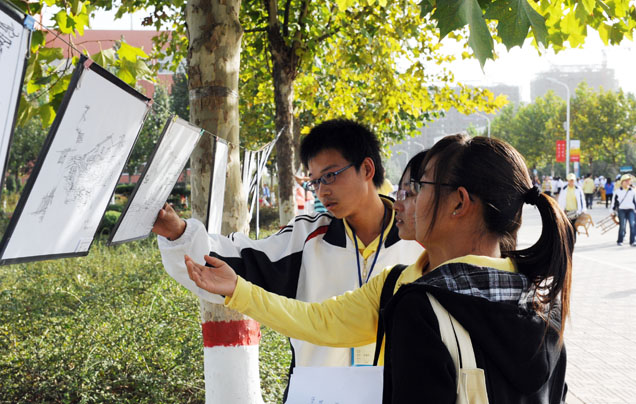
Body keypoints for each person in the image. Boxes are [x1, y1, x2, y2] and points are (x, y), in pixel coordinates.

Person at [186, 134, 572, 404]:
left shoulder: (421, 307)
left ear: (459, 203)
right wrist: (238, 289)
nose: (403, 201)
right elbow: (322, 320)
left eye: (419, 187)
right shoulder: (544, 301)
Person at [152, 119, 423, 370]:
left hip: (397, 393)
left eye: (330, 175)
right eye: (315, 182)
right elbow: (236, 260)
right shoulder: (306, 238)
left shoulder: (421, 241)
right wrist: (178, 233)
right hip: (318, 394)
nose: (322, 191)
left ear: (366, 169)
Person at [612, 174, 636, 246]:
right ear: (622, 182)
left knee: (632, 225)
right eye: (626, 181)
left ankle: (633, 241)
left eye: (629, 180)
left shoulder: (633, 190)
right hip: (621, 210)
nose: (628, 182)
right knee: (622, 225)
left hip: (631, 210)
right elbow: (614, 202)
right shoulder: (617, 191)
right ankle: (620, 240)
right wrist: (612, 211)